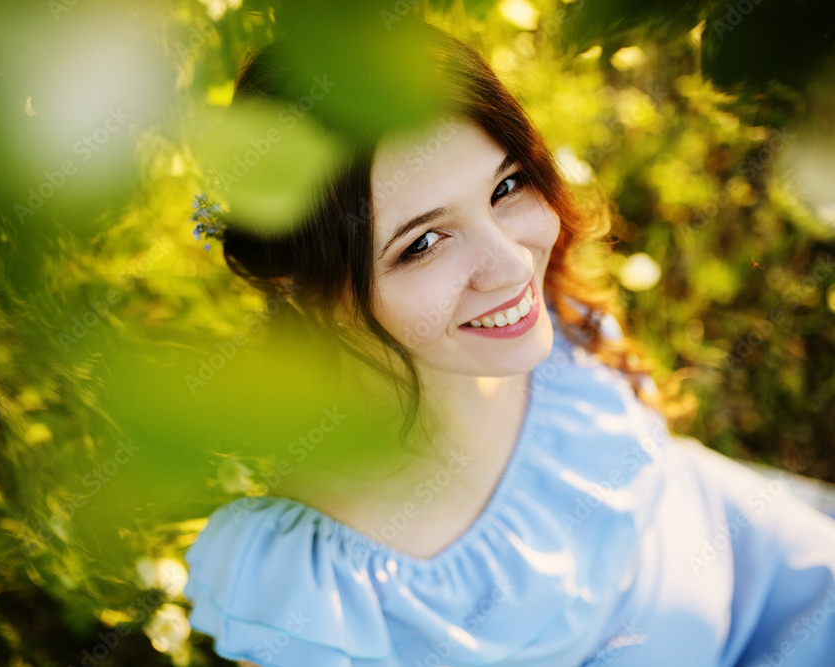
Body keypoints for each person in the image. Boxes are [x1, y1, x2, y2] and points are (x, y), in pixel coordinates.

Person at [182, 20, 835, 667]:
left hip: (766, 561)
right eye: (422, 243)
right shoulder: (323, 591)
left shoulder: (548, 334)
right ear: (300, 283)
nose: (514, 266)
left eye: (506, 186)